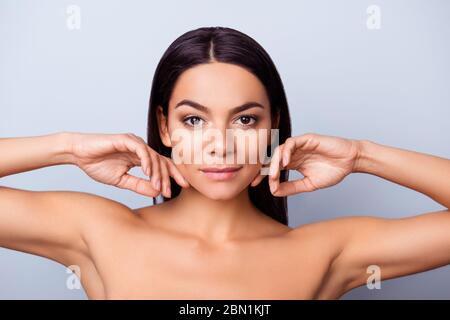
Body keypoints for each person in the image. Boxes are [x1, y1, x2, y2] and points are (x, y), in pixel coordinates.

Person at [0, 27, 449, 300]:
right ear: (165, 126)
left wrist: (361, 156)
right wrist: (67, 147)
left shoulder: (328, 250)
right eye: (194, 119)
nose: (221, 145)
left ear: (274, 125)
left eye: (246, 119)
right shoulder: (99, 230)